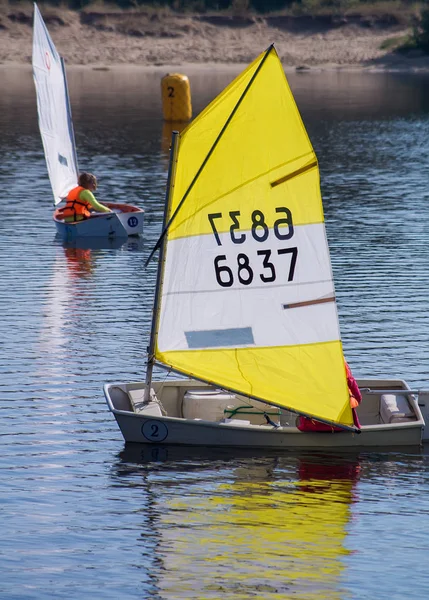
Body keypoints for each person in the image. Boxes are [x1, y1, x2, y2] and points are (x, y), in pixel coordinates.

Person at [297, 358, 362, 432]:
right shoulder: (340, 362)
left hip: (311, 426)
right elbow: (357, 396)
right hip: (341, 425)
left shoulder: (308, 364)